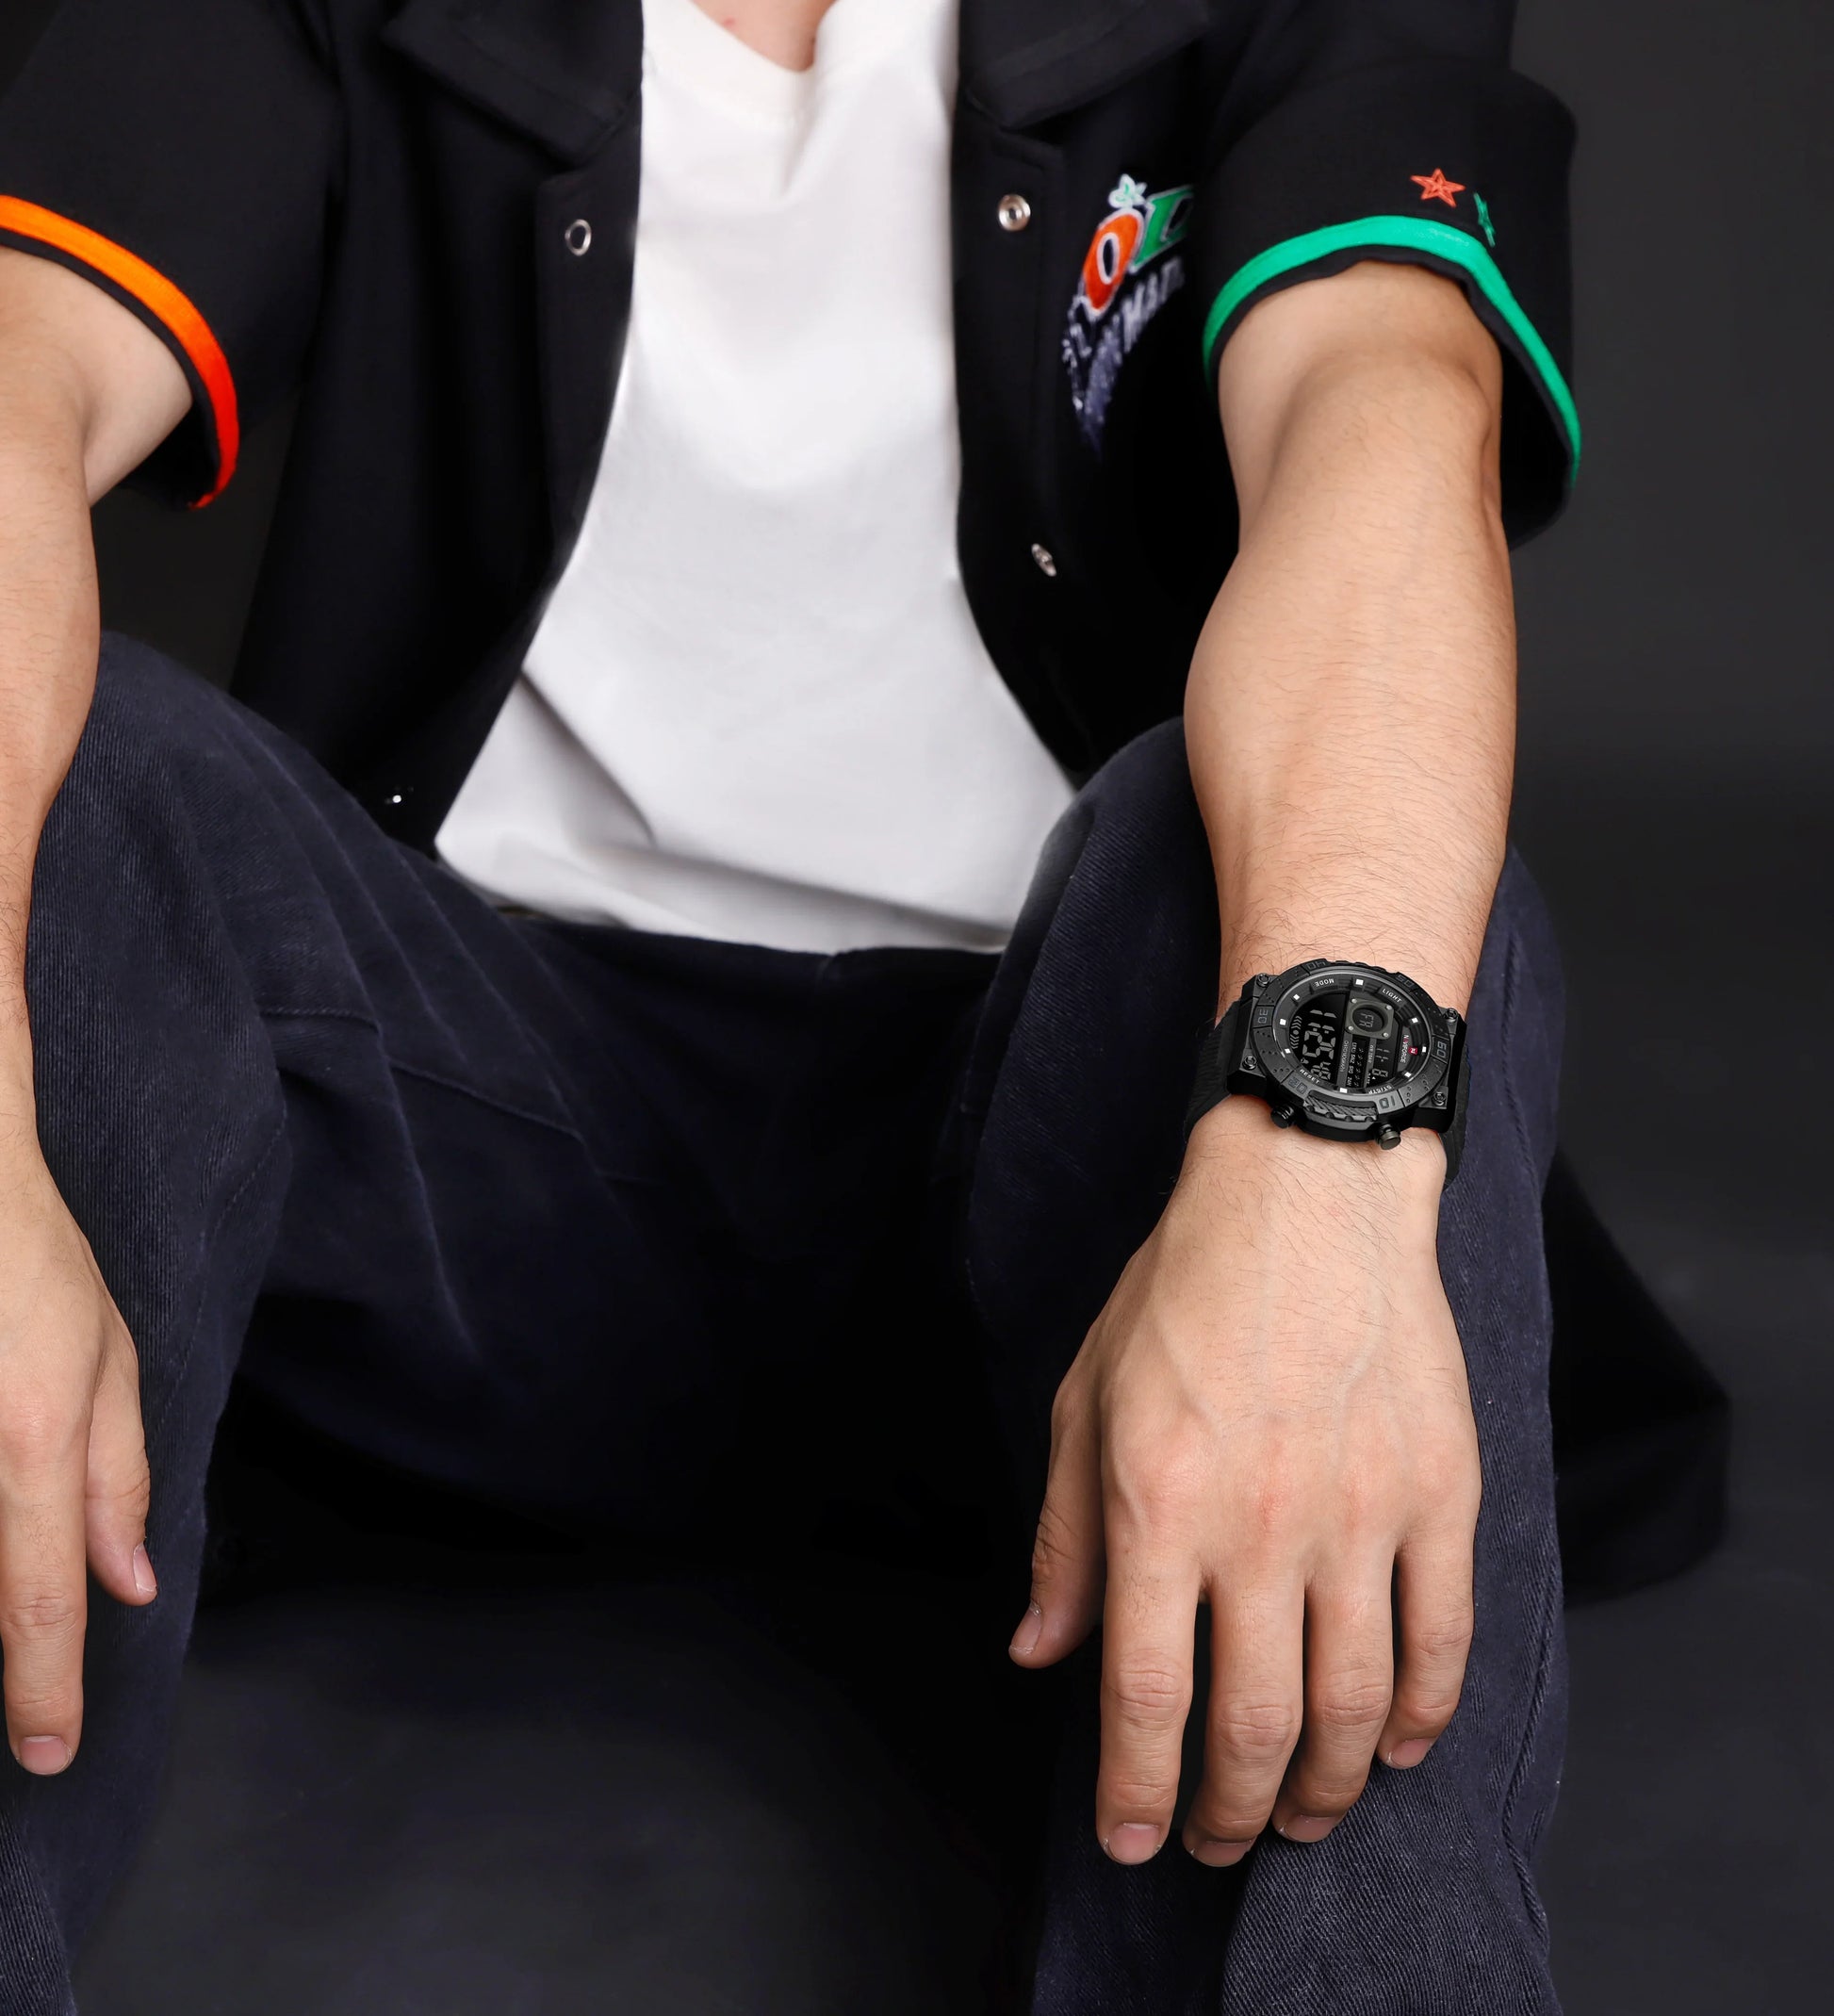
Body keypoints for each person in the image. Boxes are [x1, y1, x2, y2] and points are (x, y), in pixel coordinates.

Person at [0, 0, 1580, 2007]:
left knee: (1355, 923)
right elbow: (15, 375)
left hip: (1066, 1175)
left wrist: (1320, 1185)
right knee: (97, 789)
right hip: (463, 1170)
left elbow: (1387, 416)